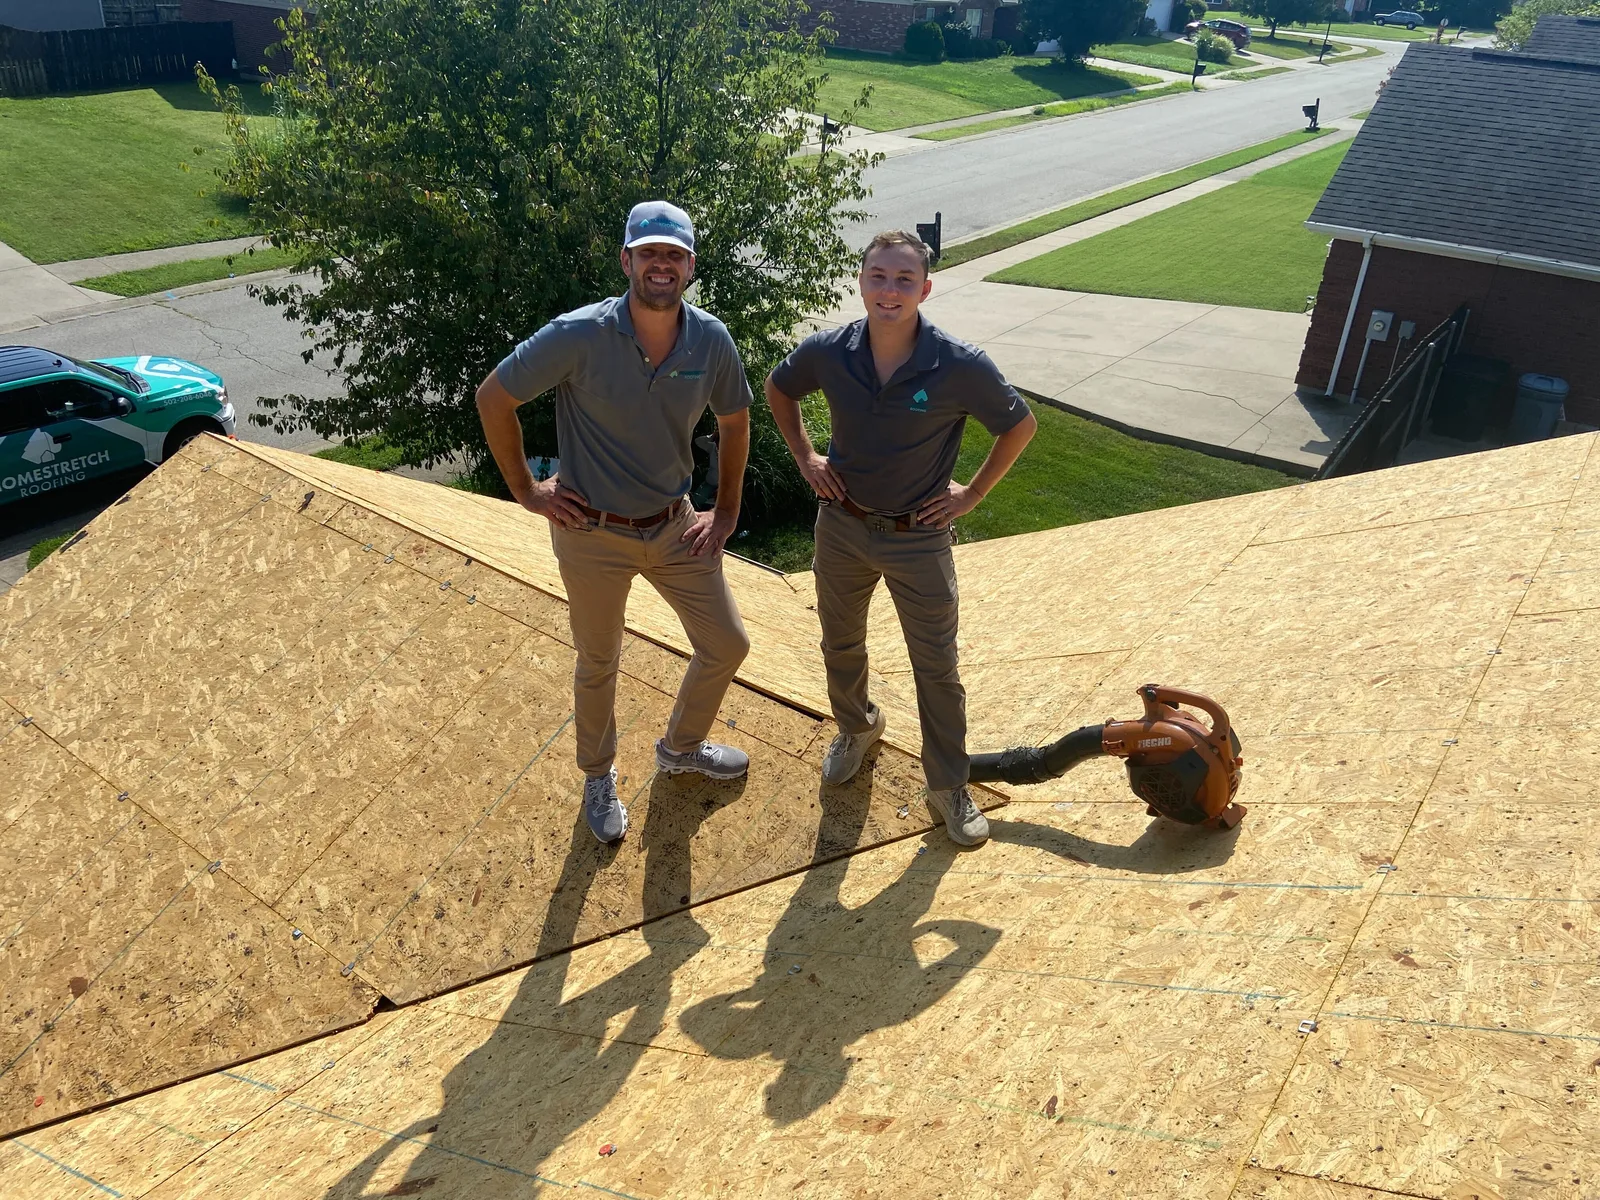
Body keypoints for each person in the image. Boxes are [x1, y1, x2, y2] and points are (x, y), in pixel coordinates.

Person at [476, 200, 754, 846]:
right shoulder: (580, 335)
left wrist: (728, 509)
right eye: (649, 253)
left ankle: (682, 747)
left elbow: (735, 421)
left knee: (728, 643)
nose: (662, 265)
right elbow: (494, 398)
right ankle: (597, 776)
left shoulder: (709, 339)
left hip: (674, 525)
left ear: (690, 267)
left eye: (674, 255)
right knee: (599, 660)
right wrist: (526, 489)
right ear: (626, 260)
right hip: (590, 531)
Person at [764, 230, 1036, 846]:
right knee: (840, 642)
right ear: (860, 281)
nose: (889, 290)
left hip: (920, 537)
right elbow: (780, 389)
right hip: (842, 525)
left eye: (903, 280)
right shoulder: (831, 351)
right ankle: (857, 727)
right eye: (878, 277)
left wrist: (972, 495)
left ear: (925, 288)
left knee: (936, 668)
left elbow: (1019, 426)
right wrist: (806, 455)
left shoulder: (959, 364)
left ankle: (946, 782)